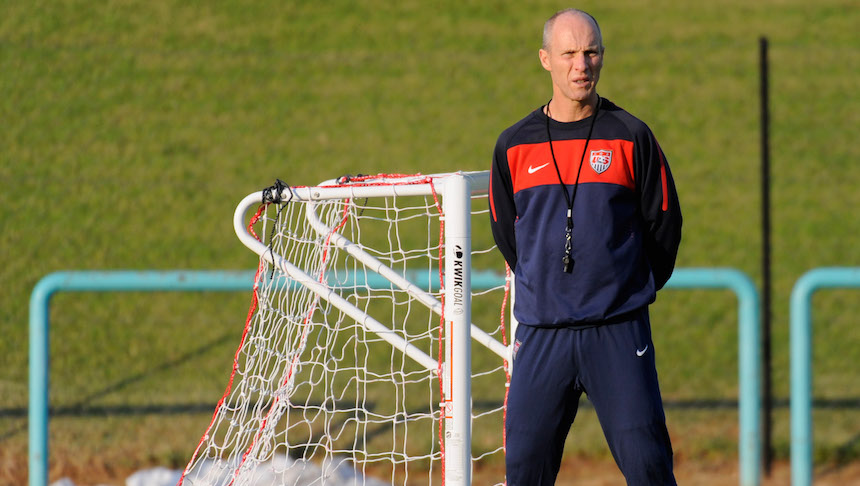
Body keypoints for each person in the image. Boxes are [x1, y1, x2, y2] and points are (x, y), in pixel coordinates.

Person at [488, 8, 683, 486]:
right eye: (569, 53)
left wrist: (625, 290)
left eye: (591, 52)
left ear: (602, 57)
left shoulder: (632, 136)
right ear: (545, 59)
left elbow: (665, 226)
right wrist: (549, 284)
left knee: (649, 469)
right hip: (542, 334)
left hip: (617, 332)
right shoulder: (513, 145)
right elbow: (506, 234)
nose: (582, 65)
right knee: (524, 472)